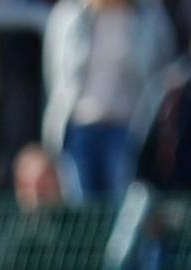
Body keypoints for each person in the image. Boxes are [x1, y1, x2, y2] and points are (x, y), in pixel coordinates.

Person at [43, 0, 176, 196]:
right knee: (83, 207)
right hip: (80, 128)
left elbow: (161, 70)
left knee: (122, 201)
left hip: (129, 129)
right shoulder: (69, 14)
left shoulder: (149, 15)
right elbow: (55, 74)